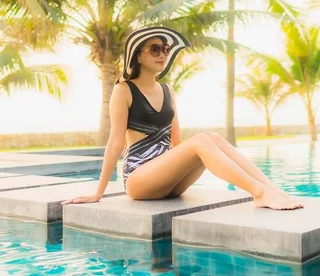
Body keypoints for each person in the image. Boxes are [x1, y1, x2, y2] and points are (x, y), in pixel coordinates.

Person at [62, 26, 303, 210]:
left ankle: (273, 190)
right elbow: (115, 142)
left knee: (215, 139)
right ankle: (259, 194)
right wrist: (98, 192)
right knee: (200, 140)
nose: (162, 54)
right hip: (139, 179)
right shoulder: (123, 90)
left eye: (165, 50)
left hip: (168, 182)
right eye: (154, 49)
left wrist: (183, 163)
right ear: (137, 56)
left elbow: (177, 143)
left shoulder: (168, 91)